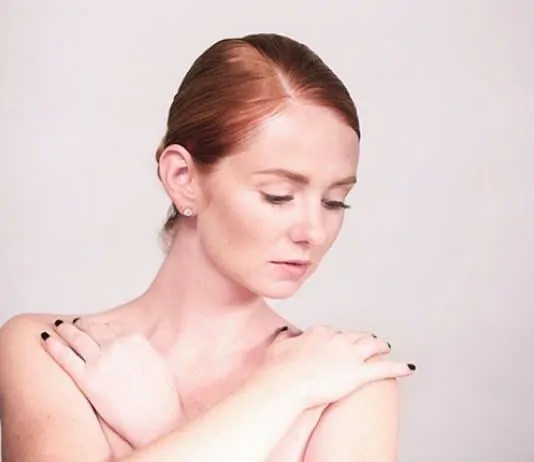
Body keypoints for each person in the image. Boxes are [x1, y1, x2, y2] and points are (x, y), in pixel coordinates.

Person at [0, 33, 416, 461]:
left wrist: (166, 428)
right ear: (183, 178)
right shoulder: (53, 350)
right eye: (278, 195)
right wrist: (284, 391)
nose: (315, 231)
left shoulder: (347, 379)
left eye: (335, 201)